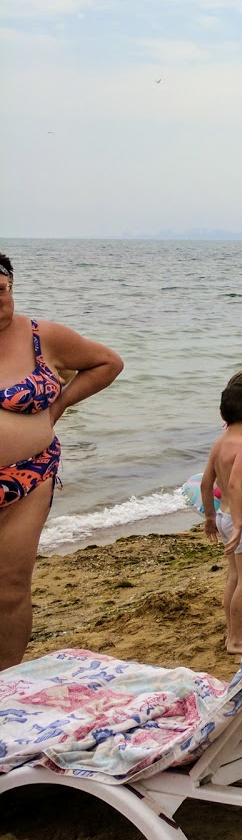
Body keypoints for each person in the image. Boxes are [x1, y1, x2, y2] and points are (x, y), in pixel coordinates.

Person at [0, 253, 123, 669]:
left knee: (12, 589)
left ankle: (7, 685)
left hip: (29, 477)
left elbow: (108, 363)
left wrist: (58, 407)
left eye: (3, 292)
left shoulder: (41, 336)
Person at [200, 379, 242, 655]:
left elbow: (206, 484)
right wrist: (240, 523)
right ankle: (237, 641)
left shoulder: (219, 444)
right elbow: (236, 484)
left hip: (225, 516)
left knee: (234, 577)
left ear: (222, 415)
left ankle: (234, 631)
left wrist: (211, 518)